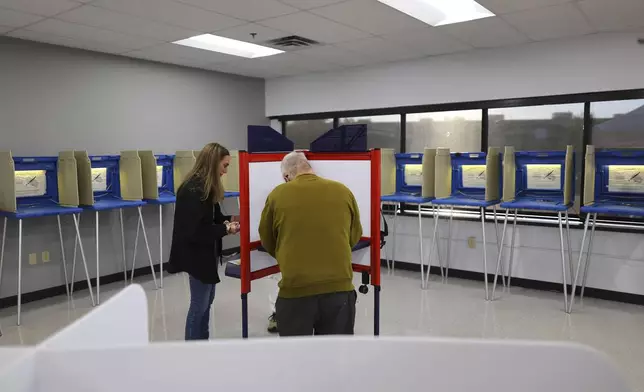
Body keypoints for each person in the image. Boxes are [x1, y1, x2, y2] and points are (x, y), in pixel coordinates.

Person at [259, 151, 362, 336]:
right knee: (336, 356)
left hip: (295, 290)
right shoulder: (343, 191)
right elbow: (354, 235)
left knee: (297, 359)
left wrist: (287, 253)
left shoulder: (277, 195)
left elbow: (267, 239)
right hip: (340, 289)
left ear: (286, 176)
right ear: (309, 168)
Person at [168, 142, 240, 341]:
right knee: (199, 306)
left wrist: (230, 221)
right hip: (196, 256)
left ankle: (203, 345)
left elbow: (213, 217)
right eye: (224, 166)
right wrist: (225, 228)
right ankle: (192, 351)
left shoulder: (205, 188)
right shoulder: (192, 190)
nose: (226, 171)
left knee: (207, 302)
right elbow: (196, 231)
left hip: (206, 254)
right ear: (213, 162)